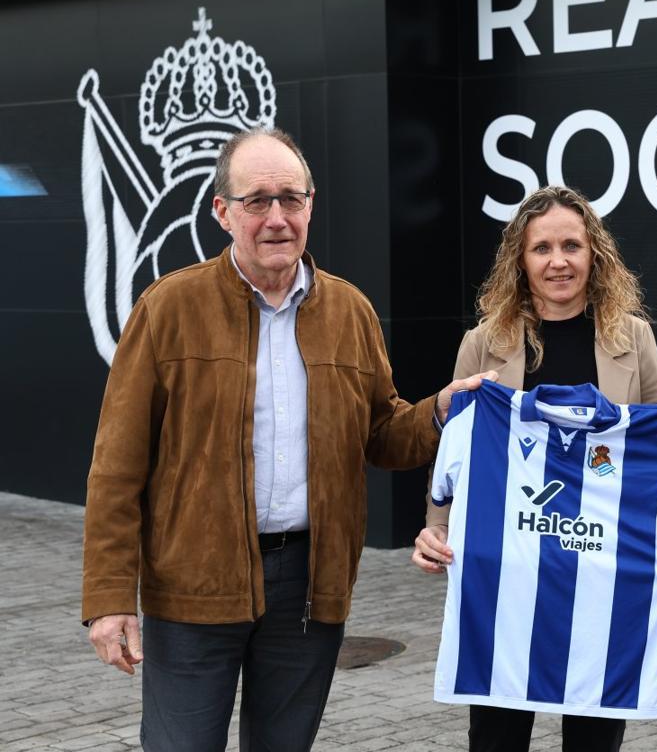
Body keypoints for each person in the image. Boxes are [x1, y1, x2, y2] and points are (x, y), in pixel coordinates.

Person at [81, 127, 494, 752]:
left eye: (291, 199)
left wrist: (442, 409)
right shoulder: (169, 308)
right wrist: (110, 598)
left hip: (307, 587)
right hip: (193, 586)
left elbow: (381, 435)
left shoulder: (350, 312)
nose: (277, 218)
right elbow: (117, 466)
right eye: (257, 201)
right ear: (223, 212)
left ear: (311, 206)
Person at [412, 185, 657, 752]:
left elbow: (656, 454)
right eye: (541, 248)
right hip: (508, 571)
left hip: (600, 571)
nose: (558, 262)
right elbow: (455, 444)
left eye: (571, 245)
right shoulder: (483, 343)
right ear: (519, 261)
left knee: (595, 735)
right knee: (497, 736)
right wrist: (438, 526)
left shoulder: (633, 338)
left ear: (593, 253)